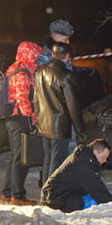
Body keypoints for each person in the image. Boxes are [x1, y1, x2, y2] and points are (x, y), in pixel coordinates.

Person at [34, 42, 87, 186]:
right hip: (59, 126)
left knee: (47, 160)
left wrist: (38, 121)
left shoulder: (40, 71)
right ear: (68, 56)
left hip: (44, 124)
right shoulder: (66, 76)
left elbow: (36, 100)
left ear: (53, 54)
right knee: (56, 162)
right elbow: (73, 106)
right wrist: (80, 131)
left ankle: (45, 193)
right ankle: (51, 194)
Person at [0, 41, 42, 206]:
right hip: (19, 118)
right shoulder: (22, 72)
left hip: (11, 118)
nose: (37, 58)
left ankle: (7, 193)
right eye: (35, 55)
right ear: (29, 54)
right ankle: (17, 196)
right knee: (21, 158)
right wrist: (32, 119)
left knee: (14, 157)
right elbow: (23, 98)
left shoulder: (14, 67)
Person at [41, 139, 112, 213]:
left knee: (88, 197)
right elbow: (97, 189)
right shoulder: (82, 163)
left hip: (59, 192)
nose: (105, 161)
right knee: (77, 203)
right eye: (104, 157)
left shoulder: (87, 158)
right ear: (96, 152)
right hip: (53, 197)